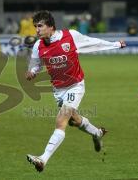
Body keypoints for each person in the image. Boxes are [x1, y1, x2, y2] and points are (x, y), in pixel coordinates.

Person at [25, 10, 126, 172]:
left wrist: (115, 44)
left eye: (40, 26)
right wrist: (32, 72)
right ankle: (97, 133)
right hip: (58, 89)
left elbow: (92, 43)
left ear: (50, 27)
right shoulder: (38, 45)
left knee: (61, 121)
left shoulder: (70, 36)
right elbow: (36, 64)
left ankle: (43, 159)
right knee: (75, 121)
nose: (37, 30)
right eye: (35, 26)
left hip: (75, 86)